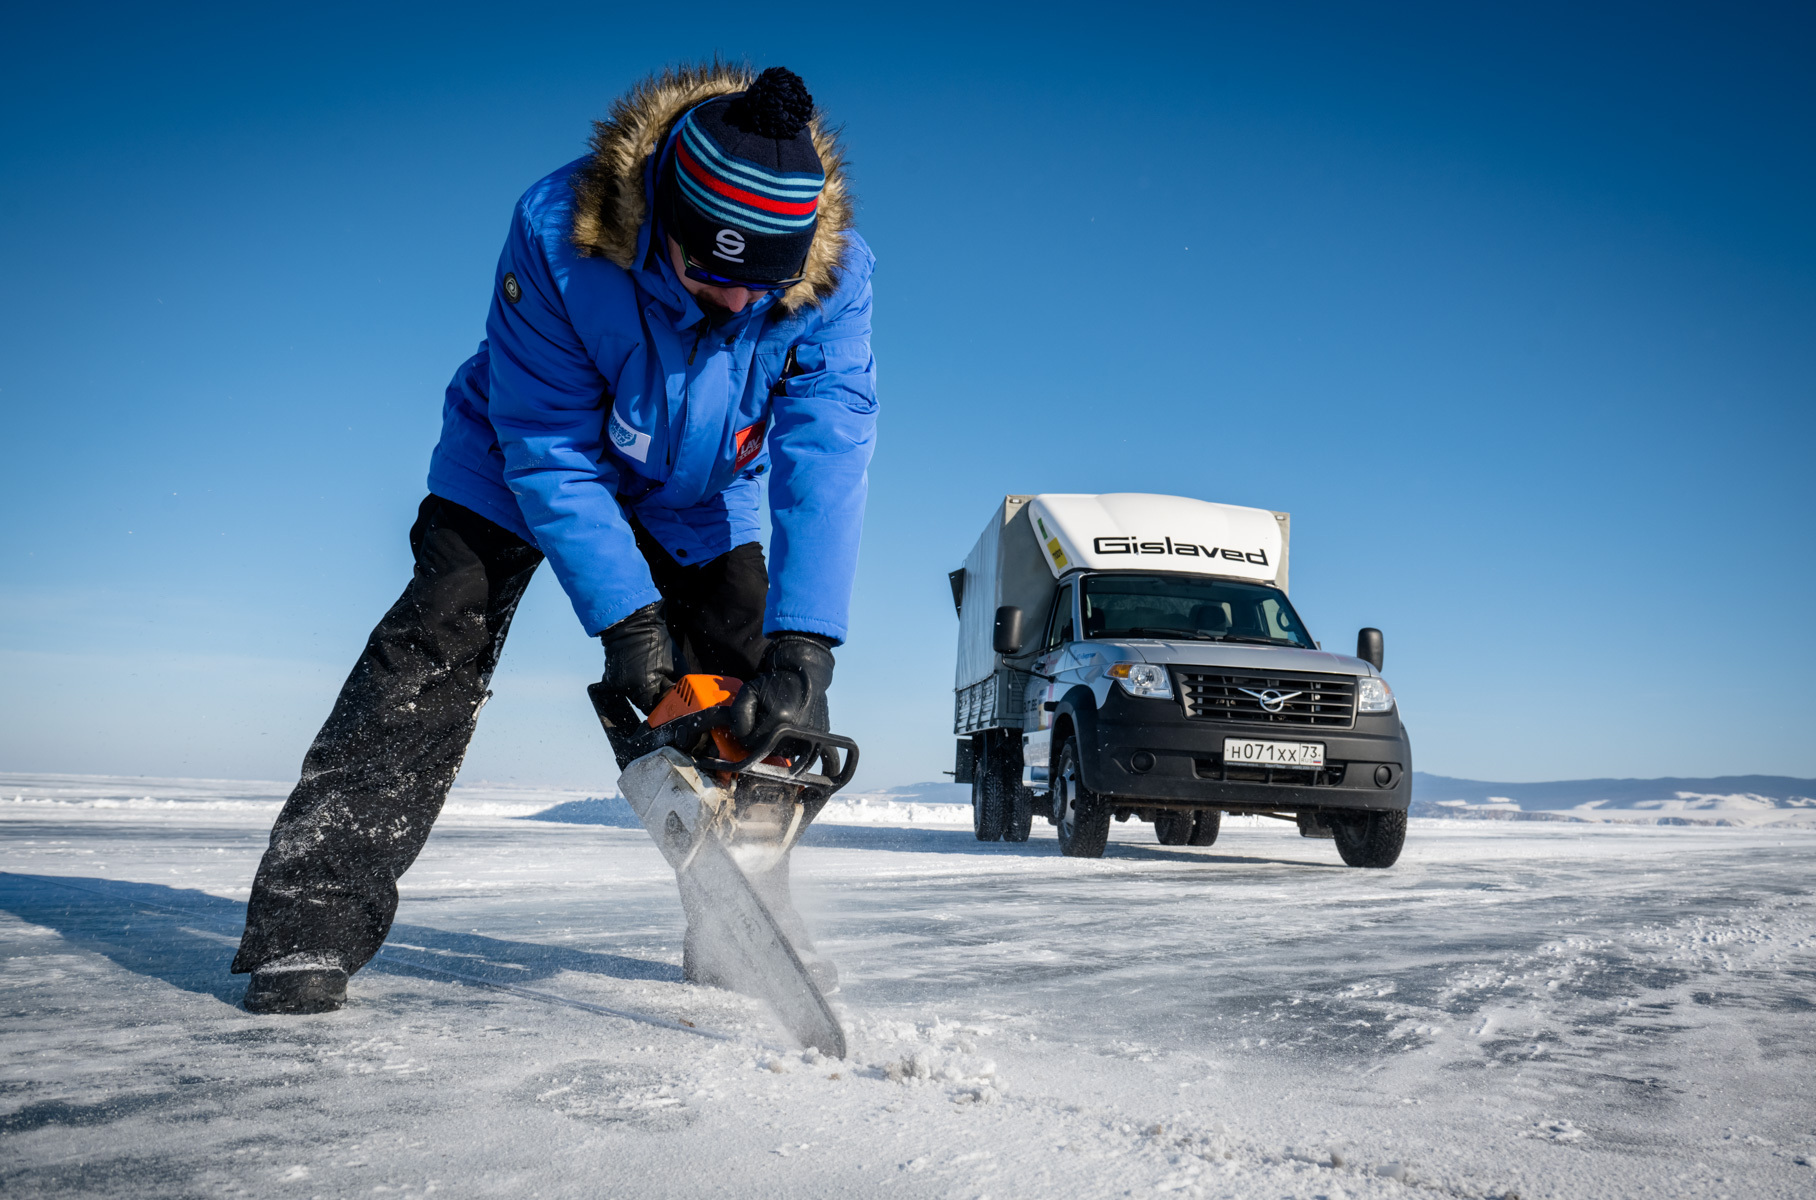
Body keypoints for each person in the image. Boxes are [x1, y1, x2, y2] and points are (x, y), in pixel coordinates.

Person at [231, 63, 876, 1014]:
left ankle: (744, 924)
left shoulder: (838, 276)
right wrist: (628, 623)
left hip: (694, 489)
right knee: (431, 648)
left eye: (762, 286)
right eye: (709, 274)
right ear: (662, 220)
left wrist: (807, 639)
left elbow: (828, 451)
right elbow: (548, 451)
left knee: (752, 692)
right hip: (517, 459)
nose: (737, 305)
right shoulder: (562, 235)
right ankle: (306, 924)